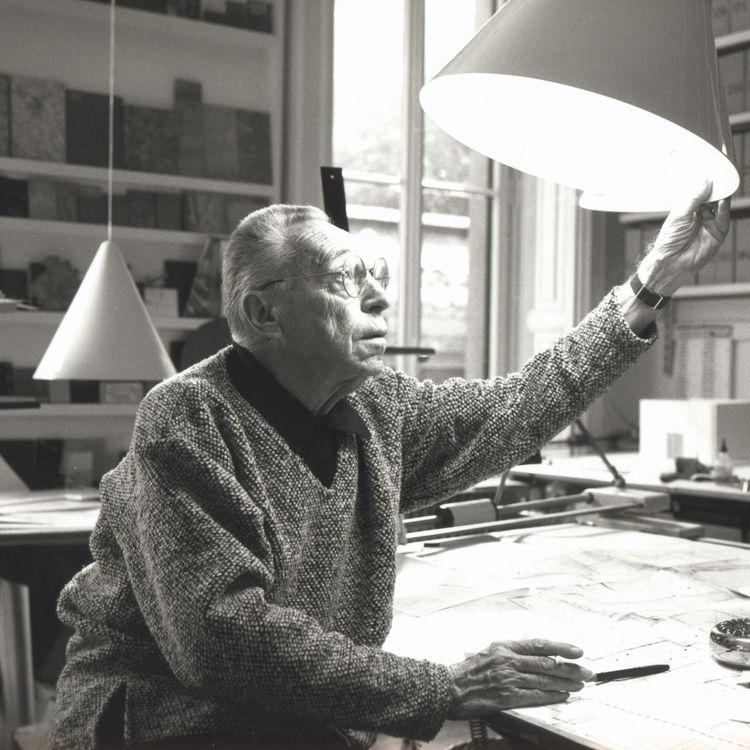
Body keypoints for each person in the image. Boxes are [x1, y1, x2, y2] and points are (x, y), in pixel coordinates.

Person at [50, 182, 729, 750]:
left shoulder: (378, 408)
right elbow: (221, 638)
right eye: (347, 280)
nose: (378, 298)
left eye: (376, 276)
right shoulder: (188, 415)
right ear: (265, 312)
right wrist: (442, 688)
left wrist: (653, 281)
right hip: (162, 722)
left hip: (293, 719)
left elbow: (520, 404)